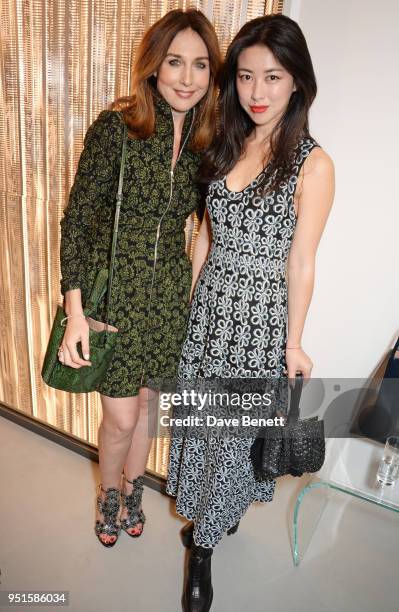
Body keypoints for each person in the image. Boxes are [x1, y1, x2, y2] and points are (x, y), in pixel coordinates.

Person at [165, 13, 335, 611]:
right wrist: (187, 311)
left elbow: (302, 262)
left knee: (231, 443)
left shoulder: (312, 165)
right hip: (209, 314)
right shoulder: (224, 142)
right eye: (244, 76)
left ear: (296, 83)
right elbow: (205, 238)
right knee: (201, 434)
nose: (257, 93)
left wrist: (293, 342)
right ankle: (212, 516)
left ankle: (202, 550)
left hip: (258, 326)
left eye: (273, 76)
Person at [57, 8, 221, 547]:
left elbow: (205, 226)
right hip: (117, 298)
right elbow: (78, 219)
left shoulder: (207, 139)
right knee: (122, 419)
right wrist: (75, 310)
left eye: (200, 65)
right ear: (154, 66)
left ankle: (134, 489)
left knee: (150, 405)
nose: (187, 78)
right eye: (175, 62)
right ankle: (108, 493)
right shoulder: (118, 129)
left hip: (171, 297)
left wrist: (196, 293)